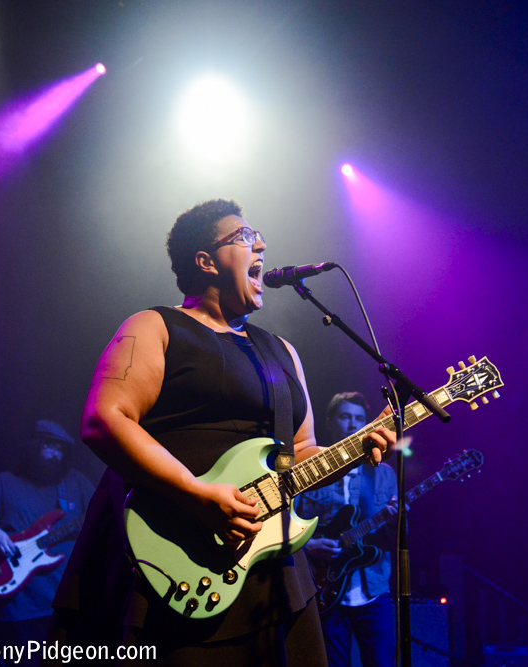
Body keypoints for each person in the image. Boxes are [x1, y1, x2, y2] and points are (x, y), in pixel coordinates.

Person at [49, 199, 395, 666]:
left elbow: (299, 454)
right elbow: (104, 419)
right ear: (206, 261)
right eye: (246, 236)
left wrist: (356, 448)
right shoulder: (156, 327)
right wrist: (197, 495)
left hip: (270, 570)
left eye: (259, 237)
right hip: (173, 554)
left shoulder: (281, 352)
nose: (262, 245)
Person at [0, 419, 95, 665]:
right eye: (49, 445)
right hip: (18, 606)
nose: (56, 453)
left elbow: (103, 515)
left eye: (61, 449)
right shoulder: (4, 482)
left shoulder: (75, 481)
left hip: (64, 603)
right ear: (33, 446)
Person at [296, 393, 397, 667]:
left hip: (373, 588)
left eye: (359, 419)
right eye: (345, 417)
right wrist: (307, 547)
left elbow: (396, 538)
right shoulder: (309, 471)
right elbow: (285, 524)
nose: (353, 424)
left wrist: (395, 521)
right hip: (322, 587)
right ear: (329, 422)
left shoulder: (385, 474)